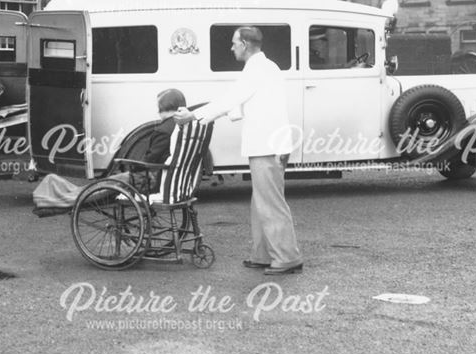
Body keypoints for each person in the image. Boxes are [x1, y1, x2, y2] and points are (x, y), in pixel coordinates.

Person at [174, 26, 303, 274]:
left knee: (270, 204)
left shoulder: (257, 69)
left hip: (267, 145)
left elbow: (231, 99)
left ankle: (287, 256)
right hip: (267, 144)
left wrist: (194, 114)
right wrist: (206, 113)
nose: (231, 47)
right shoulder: (265, 67)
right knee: (261, 203)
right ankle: (264, 255)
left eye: (234, 43)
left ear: (244, 44)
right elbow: (240, 102)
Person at [32, 88, 188, 212]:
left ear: (164, 107)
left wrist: (127, 164)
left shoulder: (163, 130)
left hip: (151, 181)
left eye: (159, 107)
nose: (158, 111)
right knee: (107, 182)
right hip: (167, 180)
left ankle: (59, 195)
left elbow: (148, 161)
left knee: (107, 183)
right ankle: (62, 190)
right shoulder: (181, 126)